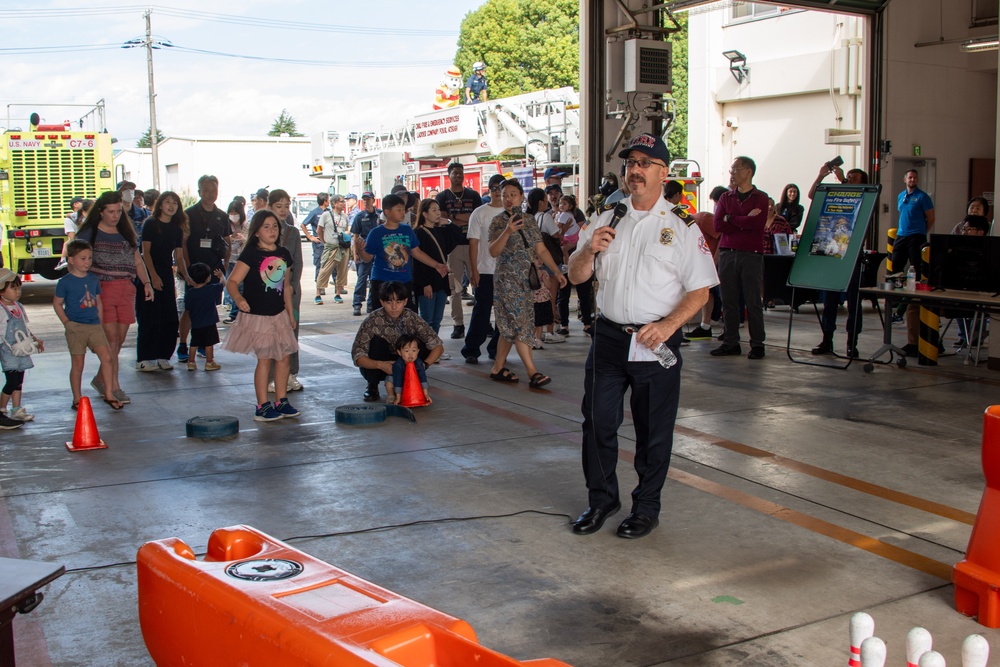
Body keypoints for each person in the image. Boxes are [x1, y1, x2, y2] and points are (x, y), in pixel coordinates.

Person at [567, 133, 717, 540]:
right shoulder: (606, 218)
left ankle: (646, 507)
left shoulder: (682, 227)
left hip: (655, 341)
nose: (635, 169)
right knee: (597, 421)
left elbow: (701, 290)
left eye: (645, 163)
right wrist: (587, 253)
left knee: (653, 432)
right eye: (631, 162)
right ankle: (602, 500)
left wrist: (669, 326)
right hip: (609, 339)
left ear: (663, 173)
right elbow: (576, 275)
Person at [75, 190, 154, 405]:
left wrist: (146, 283)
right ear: (100, 212)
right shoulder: (89, 234)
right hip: (102, 290)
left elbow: (137, 261)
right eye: (111, 212)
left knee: (118, 341)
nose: (115, 216)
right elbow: (77, 261)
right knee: (110, 340)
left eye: (119, 211)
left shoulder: (126, 232)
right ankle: (114, 386)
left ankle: (102, 379)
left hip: (126, 289)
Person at [487, 178, 566, 388]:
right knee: (522, 325)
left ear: (522, 197)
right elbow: (493, 251)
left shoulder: (530, 221)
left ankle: (497, 368)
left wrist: (557, 271)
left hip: (527, 281)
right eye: (504, 195)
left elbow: (541, 249)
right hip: (507, 282)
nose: (508, 199)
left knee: (510, 327)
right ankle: (533, 372)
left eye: (513, 194)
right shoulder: (497, 222)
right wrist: (507, 231)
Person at [223, 209, 300, 422]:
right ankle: (262, 405)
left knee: (284, 357)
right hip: (258, 316)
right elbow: (232, 282)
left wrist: (290, 311)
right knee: (265, 359)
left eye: (275, 226)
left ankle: (281, 400)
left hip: (279, 315)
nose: (272, 230)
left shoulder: (284, 253)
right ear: (256, 231)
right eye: (266, 227)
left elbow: (285, 286)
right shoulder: (251, 254)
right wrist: (239, 299)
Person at [711, 156, 769, 360]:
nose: (732, 173)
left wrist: (731, 218)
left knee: (753, 300)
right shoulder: (726, 197)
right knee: (728, 300)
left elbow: (757, 224)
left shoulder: (761, 198)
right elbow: (718, 224)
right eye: (731, 169)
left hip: (751, 254)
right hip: (728, 252)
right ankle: (731, 341)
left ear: (749, 172)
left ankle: (757, 344)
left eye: (736, 169)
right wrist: (743, 219)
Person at [53, 239, 122, 410]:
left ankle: (109, 393)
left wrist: (98, 320)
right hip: (75, 326)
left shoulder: (93, 279)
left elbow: (97, 301)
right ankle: (77, 398)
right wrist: (66, 323)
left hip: (94, 326)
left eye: (89, 258)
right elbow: (57, 303)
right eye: (83, 258)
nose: (87, 262)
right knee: (78, 363)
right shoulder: (65, 282)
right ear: (71, 260)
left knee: (107, 358)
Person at [809, 166, 870, 358]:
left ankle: (852, 343)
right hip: (833, 254)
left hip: (852, 257)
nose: (849, 180)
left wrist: (844, 181)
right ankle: (827, 339)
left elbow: (855, 198)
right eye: (848, 177)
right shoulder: (836, 196)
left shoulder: (865, 197)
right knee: (830, 301)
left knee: (854, 302)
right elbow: (813, 195)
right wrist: (821, 175)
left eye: (854, 178)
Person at [352, 282, 444, 402]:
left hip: (406, 362)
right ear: (382, 302)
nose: (394, 307)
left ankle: (411, 381)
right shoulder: (372, 320)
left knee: (419, 343)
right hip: (382, 363)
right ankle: (372, 386)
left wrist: (424, 365)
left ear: (405, 301)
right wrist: (381, 365)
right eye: (389, 302)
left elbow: (437, 346)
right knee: (376, 343)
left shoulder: (411, 317)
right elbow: (357, 356)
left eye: (398, 302)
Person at [360, 193, 448, 311]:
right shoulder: (376, 233)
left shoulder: (407, 230)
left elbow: (417, 252)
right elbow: (367, 258)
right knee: (383, 318)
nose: (402, 212)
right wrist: (360, 250)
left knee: (408, 317)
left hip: (404, 281)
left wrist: (436, 265)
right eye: (398, 210)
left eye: (403, 209)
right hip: (382, 282)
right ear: (387, 212)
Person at [136, 191, 189, 371]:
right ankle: (144, 358)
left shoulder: (176, 228)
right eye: (168, 202)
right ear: (160, 204)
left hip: (166, 275)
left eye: (174, 203)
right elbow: (146, 253)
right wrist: (153, 277)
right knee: (150, 317)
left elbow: (179, 257)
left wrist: (188, 278)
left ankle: (163, 355)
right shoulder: (150, 224)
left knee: (169, 318)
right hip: (148, 275)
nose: (171, 206)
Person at [179, 175, 230, 363]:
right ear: (199, 191)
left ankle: (203, 343)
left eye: (213, 190)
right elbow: (182, 243)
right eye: (206, 190)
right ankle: (183, 344)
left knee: (209, 307)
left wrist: (224, 266)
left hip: (214, 269)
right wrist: (185, 266)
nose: (210, 194)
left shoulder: (222, 216)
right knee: (190, 308)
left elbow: (228, 242)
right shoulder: (189, 214)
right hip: (195, 270)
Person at [435, 163, 483, 339]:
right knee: (454, 287)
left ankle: (481, 323)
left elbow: (475, 217)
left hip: (473, 245)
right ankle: (458, 324)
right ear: (449, 175)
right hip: (452, 247)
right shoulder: (442, 196)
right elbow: (443, 218)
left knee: (478, 284)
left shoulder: (473, 195)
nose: (459, 176)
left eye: (461, 173)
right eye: (455, 173)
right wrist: (459, 218)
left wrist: (453, 218)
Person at [462, 174, 505, 364]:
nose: (497, 192)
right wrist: (474, 270)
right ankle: (471, 349)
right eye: (493, 188)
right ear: (488, 190)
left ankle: (496, 348)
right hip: (485, 270)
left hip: (507, 272)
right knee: (482, 311)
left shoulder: (513, 213)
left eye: (500, 188)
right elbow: (473, 244)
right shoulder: (479, 213)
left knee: (504, 312)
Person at [894, 169, 935, 357]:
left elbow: (931, 218)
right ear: (905, 179)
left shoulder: (923, 197)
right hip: (901, 234)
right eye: (909, 177)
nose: (912, 179)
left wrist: (921, 232)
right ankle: (898, 294)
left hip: (916, 235)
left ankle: (911, 293)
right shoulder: (901, 196)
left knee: (915, 268)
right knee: (895, 265)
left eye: (915, 177)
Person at [267, 190, 304, 392]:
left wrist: (291, 285)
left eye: (286, 206)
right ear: (270, 207)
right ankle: (272, 377)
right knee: (272, 334)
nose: (283, 210)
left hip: (291, 292)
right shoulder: (262, 230)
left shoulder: (293, 232)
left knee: (291, 331)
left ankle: (291, 374)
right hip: (269, 291)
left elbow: (297, 261)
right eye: (278, 206)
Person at [0, 270, 43, 422]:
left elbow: (24, 327)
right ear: (1, 290)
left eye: (19, 288)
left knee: (18, 381)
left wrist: (34, 339)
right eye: (14, 288)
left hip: (22, 349)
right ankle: (2, 408)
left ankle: (16, 409)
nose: (18, 292)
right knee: (11, 381)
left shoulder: (19, 307)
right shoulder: (1, 310)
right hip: (9, 351)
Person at [413, 198, 461, 333]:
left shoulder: (440, 231)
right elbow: (416, 262)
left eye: (439, 210)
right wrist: (424, 284)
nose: (438, 213)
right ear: (425, 214)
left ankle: (434, 349)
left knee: (437, 319)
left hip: (441, 279)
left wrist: (448, 223)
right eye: (434, 210)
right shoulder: (419, 233)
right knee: (426, 318)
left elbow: (458, 235)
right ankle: (424, 350)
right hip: (427, 281)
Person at [686, 185, 726, 340]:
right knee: (706, 292)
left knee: (724, 294)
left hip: (717, 261)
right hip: (706, 262)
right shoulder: (689, 227)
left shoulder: (702, 219)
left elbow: (722, 235)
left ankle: (729, 329)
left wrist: (716, 258)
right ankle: (705, 326)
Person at [184, 263, 224, 372]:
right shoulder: (211, 289)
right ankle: (209, 362)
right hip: (209, 323)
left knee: (193, 343)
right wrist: (221, 276)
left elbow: (187, 308)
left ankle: (191, 362)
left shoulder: (190, 293)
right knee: (209, 343)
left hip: (196, 323)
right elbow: (223, 284)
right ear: (208, 278)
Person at [315, 195, 350, 305]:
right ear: (334, 203)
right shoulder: (326, 215)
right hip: (331, 247)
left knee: (342, 271)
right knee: (325, 270)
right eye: (341, 202)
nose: (344, 203)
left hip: (343, 248)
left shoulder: (344, 216)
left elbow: (346, 229)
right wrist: (324, 241)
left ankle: (338, 293)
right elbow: (319, 230)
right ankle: (318, 294)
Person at [350, 192, 381, 316]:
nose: (366, 202)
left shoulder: (380, 214)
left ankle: (371, 304)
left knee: (374, 280)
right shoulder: (360, 217)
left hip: (378, 252)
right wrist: (355, 254)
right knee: (362, 279)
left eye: (368, 199)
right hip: (365, 251)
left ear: (373, 200)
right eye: (364, 200)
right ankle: (357, 304)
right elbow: (355, 237)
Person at [385, 333, 432, 405]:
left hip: (412, 383)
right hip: (399, 382)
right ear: (399, 352)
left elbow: (423, 378)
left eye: (413, 350)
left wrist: (426, 394)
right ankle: (391, 397)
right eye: (407, 351)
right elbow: (398, 381)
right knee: (389, 382)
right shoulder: (398, 365)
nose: (410, 354)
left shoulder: (419, 363)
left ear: (418, 351)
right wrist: (398, 398)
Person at [222, 200, 247, 324]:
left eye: (235, 212)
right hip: (229, 259)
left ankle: (236, 313)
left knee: (240, 286)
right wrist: (229, 239)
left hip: (241, 260)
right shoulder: (226, 224)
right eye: (231, 212)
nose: (233, 215)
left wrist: (243, 239)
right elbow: (221, 241)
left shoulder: (246, 225)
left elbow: (251, 241)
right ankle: (234, 311)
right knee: (230, 285)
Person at [302, 192, 329, 292]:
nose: (329, 201)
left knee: (330, 264)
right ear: (324, 201)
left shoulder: (329, 212)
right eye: (328, 199)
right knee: (320, 264)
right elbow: (303, 224)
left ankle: (336, 285)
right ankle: (319, 286)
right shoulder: (314, 212)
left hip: (328, 242)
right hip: (319, 243)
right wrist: (310, 237)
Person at [56, 196, 84, 270]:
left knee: (68, 242)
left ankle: (63, 261)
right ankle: (63, 261)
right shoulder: (73, 216)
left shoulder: (73, 216)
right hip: (80, 239)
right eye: (82, 202)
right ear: (75, 204)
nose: (84, 204)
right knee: (69, 242)